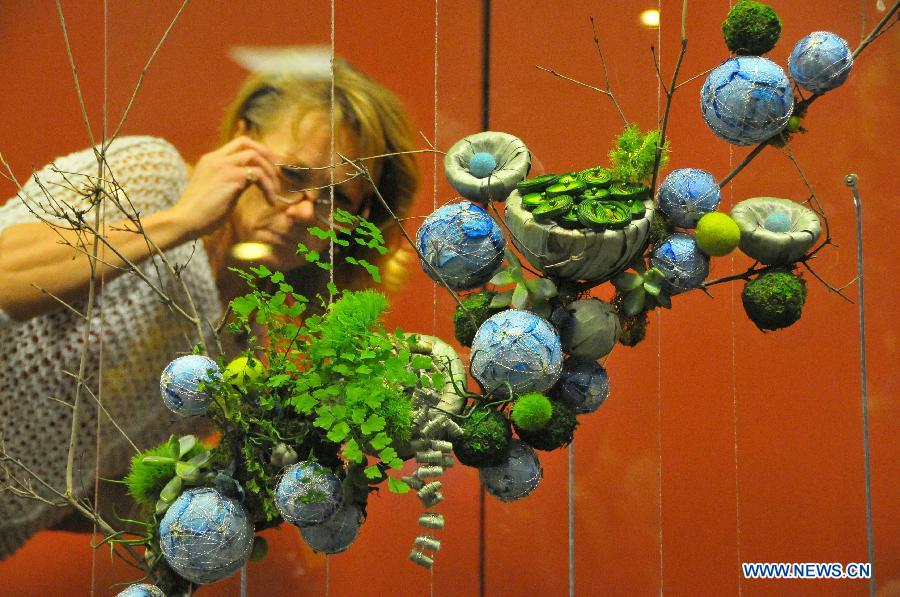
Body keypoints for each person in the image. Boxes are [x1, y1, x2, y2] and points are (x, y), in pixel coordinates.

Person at [0, 60, 419, 558]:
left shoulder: (240, 346)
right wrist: (180, 220)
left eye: (338, 198)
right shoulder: (152, 179)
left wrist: (220, 510)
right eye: (290, 174)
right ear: (241, 140)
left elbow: (89, 490)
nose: (307, 209)